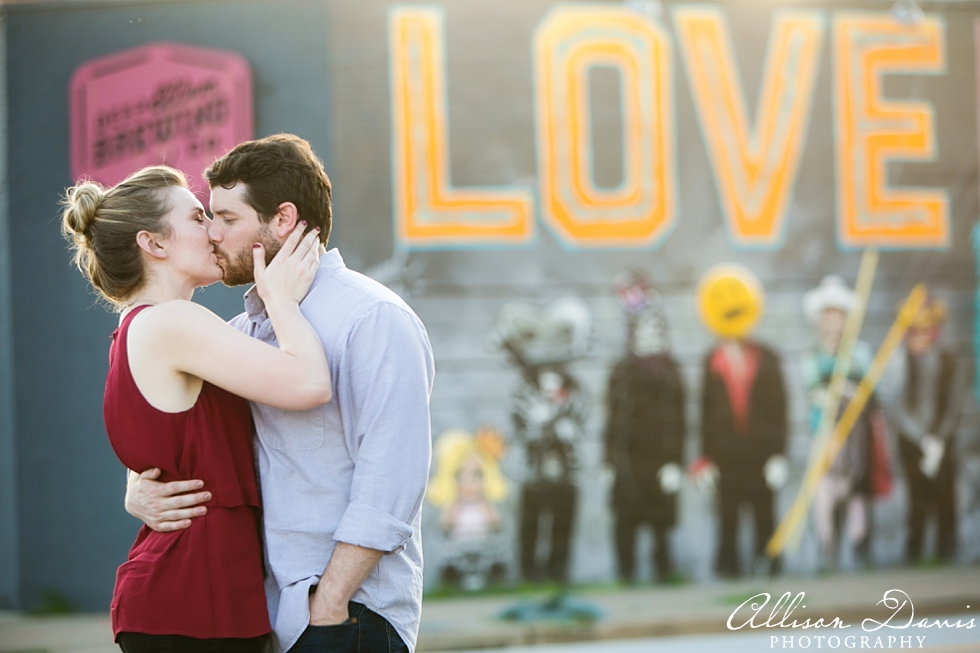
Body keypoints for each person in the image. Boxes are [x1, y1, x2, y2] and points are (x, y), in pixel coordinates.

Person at [124, 134, 435, 653]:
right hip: (270, 617)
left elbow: (392, 480)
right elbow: (178, 425)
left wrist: (329, 604)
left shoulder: (372, 318)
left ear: (283, 220)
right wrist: (137, 486)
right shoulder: (244, 331)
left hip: (348, 617)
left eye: (227, 218)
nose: (213, 234)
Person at [61, 165, 331, 652]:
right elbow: (310, 384)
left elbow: (169, 447)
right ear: (154, 244)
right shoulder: (174, 323)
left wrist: (135, 486)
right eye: (196, 217)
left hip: (188, 601)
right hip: (192, 604)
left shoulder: (135, 330)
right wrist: (279, 299)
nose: (213, 231)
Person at [800, 275, 892, 571]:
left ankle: (860, 551)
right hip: (825, 437)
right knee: (823, 496)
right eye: (828, 315)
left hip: (855, 439)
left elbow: (871, 395)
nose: (833, 322)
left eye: (838, 315)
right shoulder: (813, 356)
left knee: (857, 496)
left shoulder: (858, 353)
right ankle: (827, 554)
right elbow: (813, 392)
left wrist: (849, 391)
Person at [603, 271, 685, 583]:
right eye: (642, 330)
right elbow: (612, 419)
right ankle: (625, 573)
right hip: (628, 460)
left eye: (655, 329)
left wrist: (675, 461)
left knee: (661, 520)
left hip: (661, 459)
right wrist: (608, 461)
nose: (649, 336)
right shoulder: (621, 372)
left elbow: (680, 421)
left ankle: (663, 571)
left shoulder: (671, 373)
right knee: (626, 519)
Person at [881, 295, 965, 564]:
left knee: (945, 494)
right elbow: (896, 406)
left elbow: (954, 402)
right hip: (911, 441)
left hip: (943, 441)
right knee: (916, 496)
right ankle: (914, 551)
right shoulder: (898, 361)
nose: (920, 337)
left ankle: (946, 549)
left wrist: (939, 438)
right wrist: (922, 439)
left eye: (926, 330)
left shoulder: (948, 360)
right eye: (914, 331)